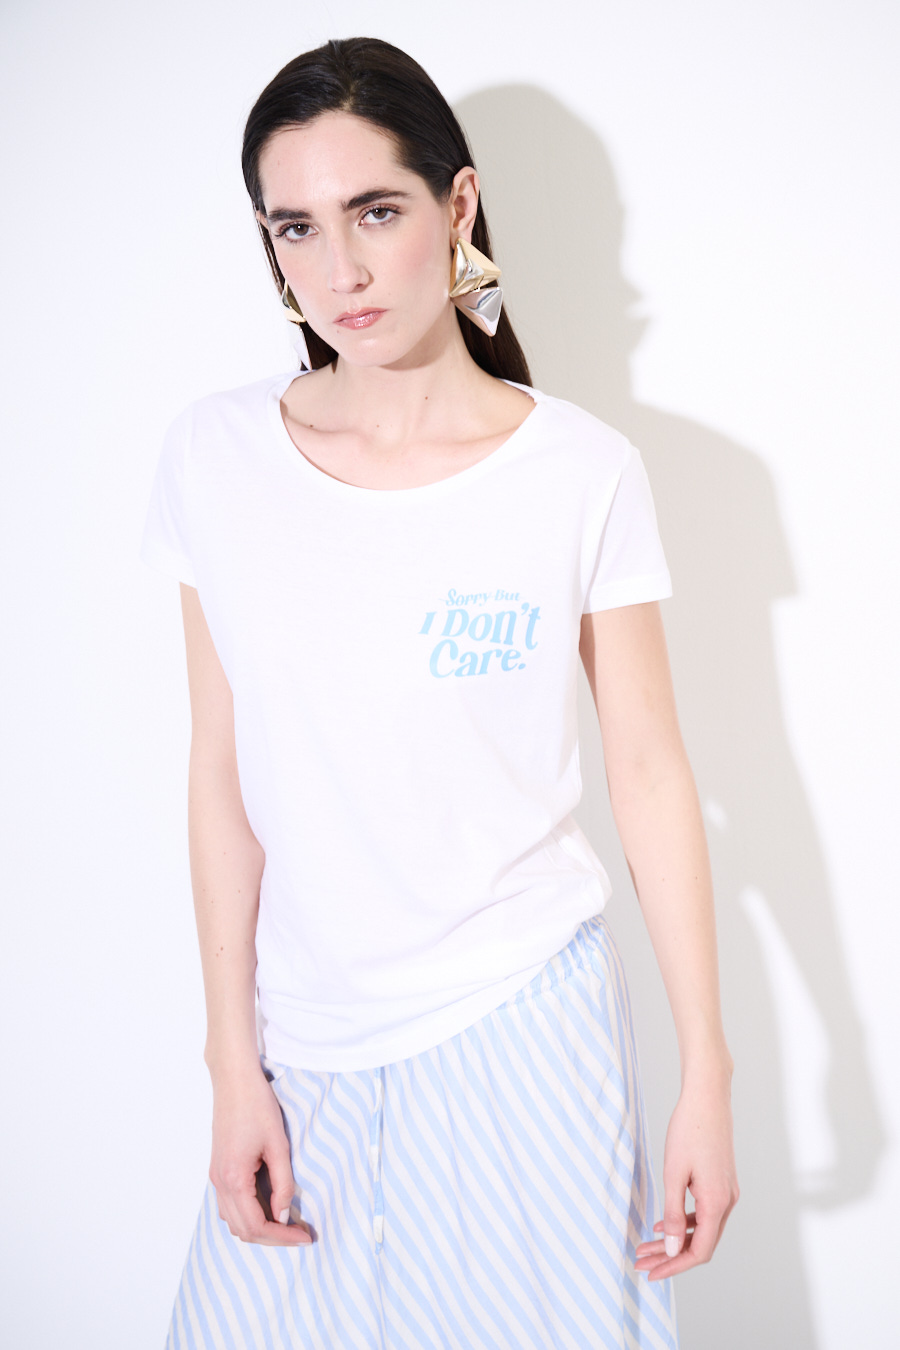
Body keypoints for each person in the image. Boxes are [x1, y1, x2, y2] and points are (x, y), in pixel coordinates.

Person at [140, 35, 738, 1350]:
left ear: (457, 206)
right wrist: (232, 1061)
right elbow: (220, 772)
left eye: (375, 212)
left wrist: (708, 1071)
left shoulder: (578, 470)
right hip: (307, 1040)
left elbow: (649, 772)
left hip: (527, 1027)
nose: (338, 272)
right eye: (296, 228)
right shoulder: (214, 457)